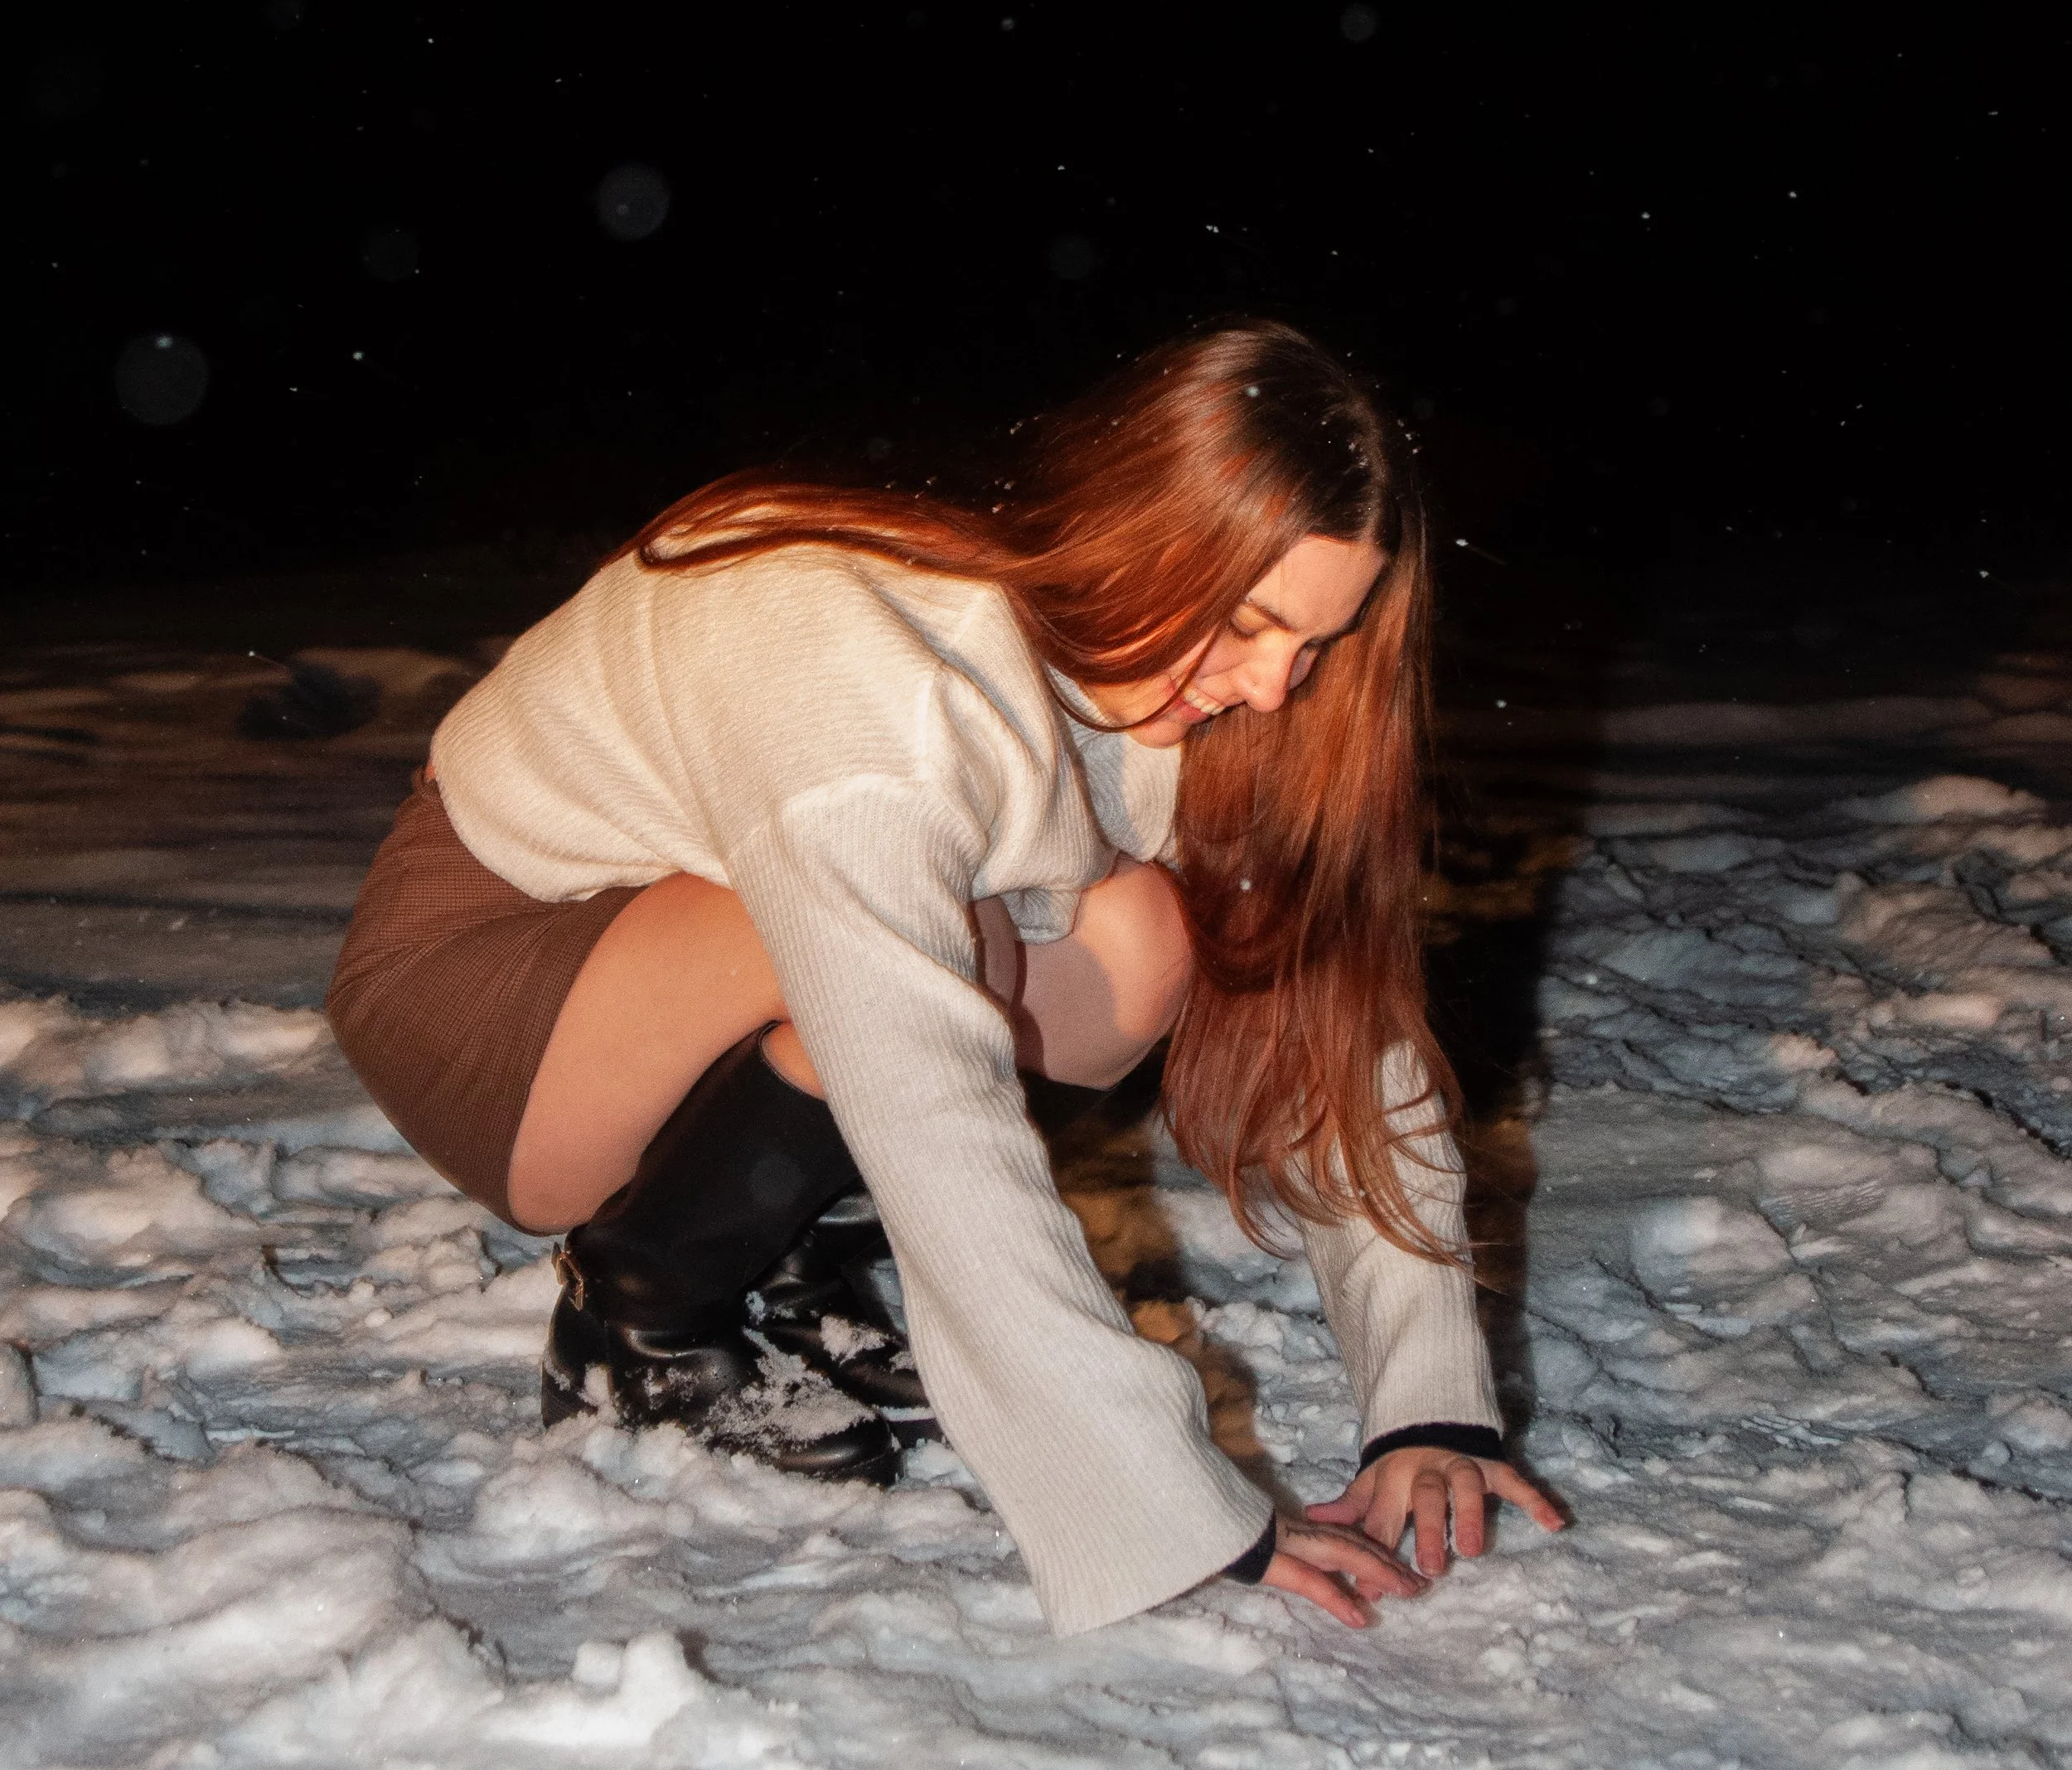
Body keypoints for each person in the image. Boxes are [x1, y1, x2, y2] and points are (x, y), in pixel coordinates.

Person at [327, 320, 1560, 1635]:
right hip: (492, 985)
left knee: (1149, 942)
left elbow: (1335, 1026)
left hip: (701, 963)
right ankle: (642, 1312)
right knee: (949, 950)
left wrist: (1424, 1402)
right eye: (1252, 623)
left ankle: (781, 1255)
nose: (1271, 685)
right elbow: (929, 1098)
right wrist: (1161, 1499)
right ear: (1145, 534)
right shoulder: (867, 680)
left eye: (1314, 644)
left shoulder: (1179, 686)